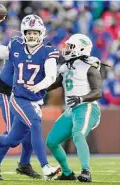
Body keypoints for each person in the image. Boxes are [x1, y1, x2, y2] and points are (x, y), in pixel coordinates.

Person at [0, 14, 61, 180]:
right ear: (23, 33)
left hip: (32, 95)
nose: (32, 36)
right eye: (29, 32)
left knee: (16, 137)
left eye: (35, 32)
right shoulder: (16, 46)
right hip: (10, 91)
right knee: (30, 125)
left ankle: (13, 158)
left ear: (42, 33)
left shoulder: (47, 51)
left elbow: (51, 74)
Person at [45, 33, 102, 182]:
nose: (67, 49)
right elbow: (54, 84)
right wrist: (37, 87)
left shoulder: (90, 66)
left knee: (78, 134)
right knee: (52, 141)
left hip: (86, 106)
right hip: (71, 109)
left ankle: (86, 171)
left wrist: (81, 98)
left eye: (70, 47)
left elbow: (98, 92)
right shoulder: (65, 67)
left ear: (81, 48)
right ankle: (67, 173)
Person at [0, 60, 41, 180]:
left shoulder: (41, 49)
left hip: (22, 92)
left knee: (29, 128)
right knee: (11, 131)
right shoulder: (17, 45)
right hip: (6, 90)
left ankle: (24, 164)